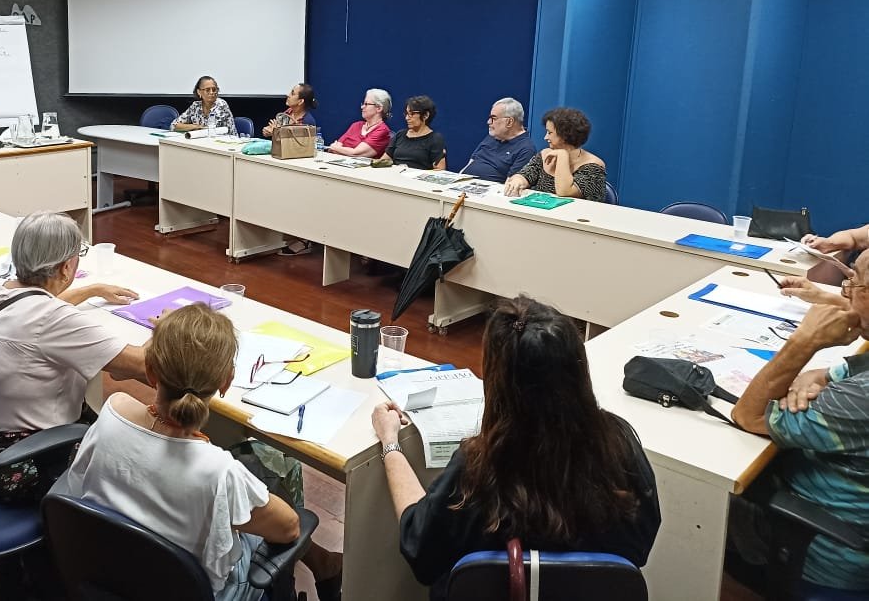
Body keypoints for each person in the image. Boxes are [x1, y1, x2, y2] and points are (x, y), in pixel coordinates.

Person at [372, 296, 660, 601]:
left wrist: (390, 442)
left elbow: (419, 546)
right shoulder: (619, 445)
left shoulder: (479, 467)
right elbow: (640, 545)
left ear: (496, 382)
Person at [61, 302, 343, 601]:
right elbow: (289, 528)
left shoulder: (113, 413)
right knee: (276, 474)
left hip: (112, 575)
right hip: (201, 591)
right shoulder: (218, 471)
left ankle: (321, 564)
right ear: (227, 381)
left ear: (150, 372)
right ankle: (312, 572)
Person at [0, 212, 147, 504]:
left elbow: (33, 308)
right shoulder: (54, 320)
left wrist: (92, 289)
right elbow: (141, 365)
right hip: (25, 464)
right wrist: (168, 326)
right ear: (67, 267)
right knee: (138, 457)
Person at [729, 252, 869, 592]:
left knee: (696, 493)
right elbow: (829, 374)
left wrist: (804, 341)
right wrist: (817, 375)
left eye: (854, 282)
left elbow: (749, 415)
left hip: (818, 552)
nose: (845, 290)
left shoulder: (860, 397)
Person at [503, 107, 606, 201]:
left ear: (565, 135)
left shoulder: (594, 166)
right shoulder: (545, 154)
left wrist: (562, 155)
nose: (545, 137)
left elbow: (564, 192)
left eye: (549, 133)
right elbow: (525, 175)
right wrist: (518, 181)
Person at [463, 98, 537, 182]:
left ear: (509, 122)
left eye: (493, 118)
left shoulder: (526, 149)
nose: (488, 122)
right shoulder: (493, 136)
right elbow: (470, 164)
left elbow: (511, 185)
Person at [377, 95, 446, 170]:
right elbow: (384, 160)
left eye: (412, 114)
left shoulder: (435, 139)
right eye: (406, 114)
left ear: (425, 115)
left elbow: (440, 170)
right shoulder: (400, 135)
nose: (407, 118)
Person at [327, 88, 392, 159]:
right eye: (363, 104)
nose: (362, 107)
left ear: (379, 108)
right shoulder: (356, 125)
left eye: (366, 104)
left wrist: (335, 148)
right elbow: (334, 149)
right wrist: (337, 149)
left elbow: (356, 153)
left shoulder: (382, 130)